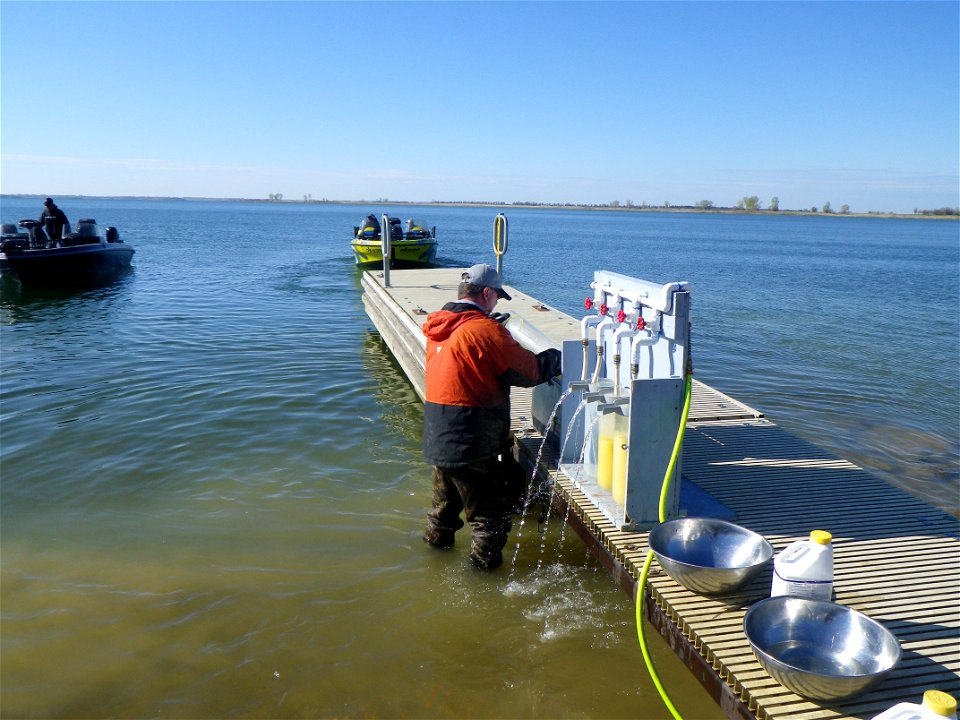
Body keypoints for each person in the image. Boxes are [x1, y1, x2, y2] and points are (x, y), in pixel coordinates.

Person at [421, 263, 562, 569]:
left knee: (443, 513)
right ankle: (483, 583)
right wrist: (557, 357)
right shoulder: (485, 330)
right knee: (490, 520)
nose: (496, 303)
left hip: (437, 437)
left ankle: (431, 563)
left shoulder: (440, 326)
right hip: (470, 441)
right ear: (486, 293)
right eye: (496, 297)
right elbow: (530, 371)